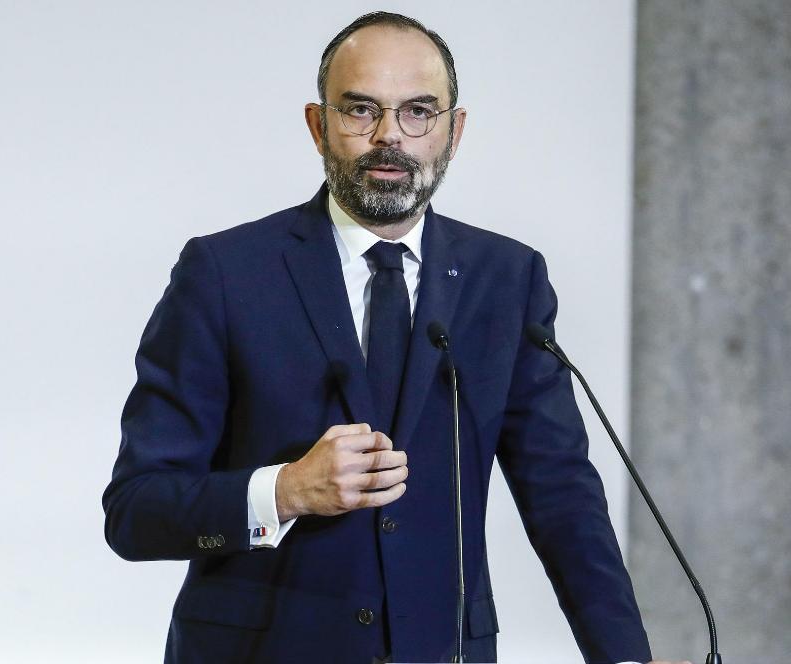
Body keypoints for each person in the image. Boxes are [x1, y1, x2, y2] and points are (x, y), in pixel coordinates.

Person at [104, 11, 671, 664]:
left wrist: (626, 656)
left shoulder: (507, 279)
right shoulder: (226, 274)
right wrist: (285, 490)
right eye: (360, 110)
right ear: (319, 125)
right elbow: (137, 510)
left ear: (454, 132)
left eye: (418, 112)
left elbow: (562, 496)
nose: (389, 138)